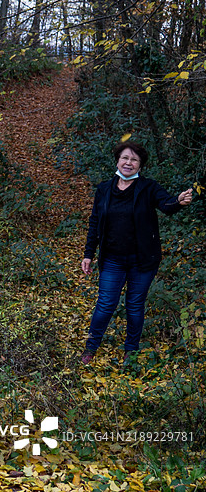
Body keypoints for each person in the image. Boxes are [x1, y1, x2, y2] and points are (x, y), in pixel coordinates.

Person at [80, 140, 193, 364]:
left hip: (142, 260)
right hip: (112, 258)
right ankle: (90, 348)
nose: (128, 163)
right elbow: (95, 222)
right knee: (105, 304)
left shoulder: (148, 188)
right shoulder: (104, 189)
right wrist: (88, 253)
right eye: (125, 158)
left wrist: (179, 201)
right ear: (118, 161)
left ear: (140, 165)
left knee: (134, 305)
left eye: (134, 159)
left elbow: (167, 205)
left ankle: (130, 351)